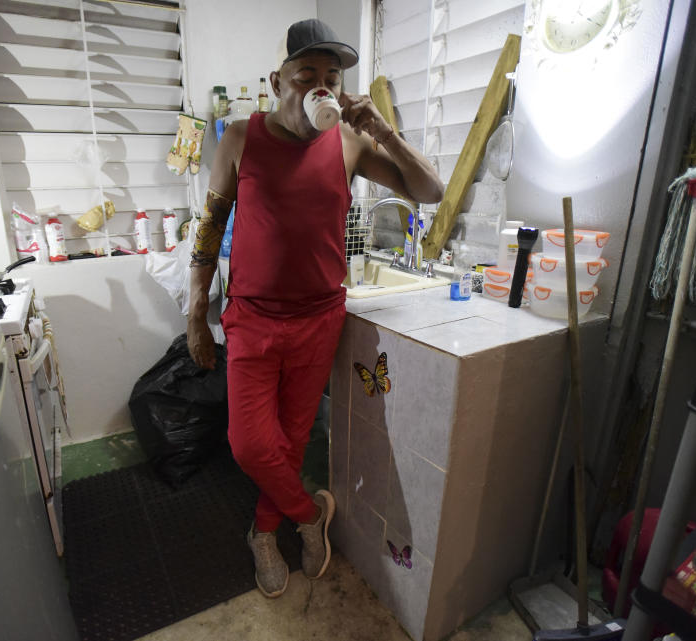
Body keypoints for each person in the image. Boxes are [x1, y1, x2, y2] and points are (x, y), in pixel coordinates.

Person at [186, 18, 443, 598]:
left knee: (293, 439)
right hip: (251, 317)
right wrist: (195, 311)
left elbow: (431, 192)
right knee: (251, 443)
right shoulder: (239, 139)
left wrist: (381, 128)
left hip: (319, 317)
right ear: (279, 81)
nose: (320, 87)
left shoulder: (350, 143)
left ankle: (263, 530)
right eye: (307, 76)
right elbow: (210, 228)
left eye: (331, 77)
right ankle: (308, 515)